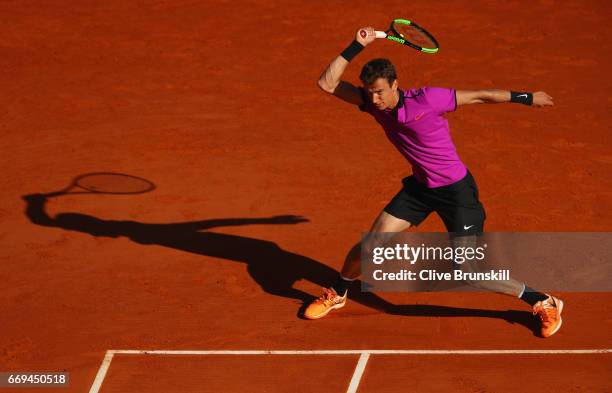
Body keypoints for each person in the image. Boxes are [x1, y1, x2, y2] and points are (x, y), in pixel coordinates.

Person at [303, 26, 563, 338]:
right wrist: (356, 45)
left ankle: (541, 300)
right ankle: (339, 291)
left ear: (396, 85)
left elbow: (480, 96)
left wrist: (526, 97)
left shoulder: (428, 99)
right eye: (370, 92)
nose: (375, 99)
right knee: (372, 243)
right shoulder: (372, 105)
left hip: (457, 193)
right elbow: (326, 83)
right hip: (420, 189)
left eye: (381, 91)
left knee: (470, 272)